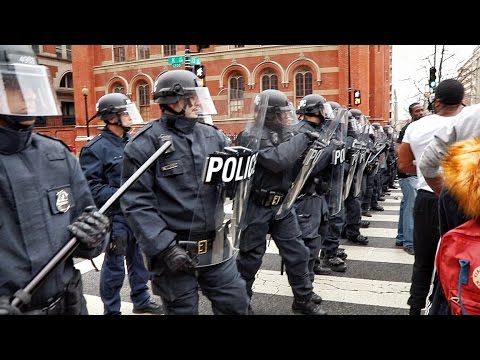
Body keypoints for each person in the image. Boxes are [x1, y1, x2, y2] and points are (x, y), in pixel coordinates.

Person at [120, 69, 249, 315]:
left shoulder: (213, 137)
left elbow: (227, 188)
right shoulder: (144, 145)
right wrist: (164, 247)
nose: (199, 102)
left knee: (236, 303)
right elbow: (137, 203)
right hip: (174, 255)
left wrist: (238, 170)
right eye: (192, 97)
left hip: (215, 246)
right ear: (172, 101)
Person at [0, 45, 110, 315]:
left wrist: (94, 237)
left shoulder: (56, 155)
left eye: (32, 84)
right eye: (15, 85)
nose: (30, 95)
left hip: (69, 304)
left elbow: (89, 227)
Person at [235, 89, 327, 315]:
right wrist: (303, 138)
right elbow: (278, 160)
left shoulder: (284, 134)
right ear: (270, 114)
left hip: (282, 205)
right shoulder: (251, 135)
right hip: (257, 205)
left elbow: (293, 164)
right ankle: (240, 305)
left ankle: (303, 300)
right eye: (282, 113)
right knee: (250, 260)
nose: (288, 118)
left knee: (298, 254)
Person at [79, 93, 163, 315]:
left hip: (136, 214)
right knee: (115, 267)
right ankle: (112, 310)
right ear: (112, 117)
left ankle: (141, 300)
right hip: (115, 217)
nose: (129, 117)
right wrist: (124, 194)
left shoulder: (133, 142)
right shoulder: (95, 149)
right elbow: (92, 188)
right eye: (124, 112)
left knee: (139, 261)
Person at [398, 78, 465, 315]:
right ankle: (444, 306)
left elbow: (404, 163)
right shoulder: (469, 122)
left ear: (436, 101)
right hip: (461, 199)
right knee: (456, 259)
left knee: (423, 260)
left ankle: (415, 308)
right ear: (462, 100)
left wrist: (421, 170)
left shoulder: (416, 126)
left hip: (427, 195)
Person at [394, 102, 425, 254]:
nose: (421, 113)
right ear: (411, 113)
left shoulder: (419, 127)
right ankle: (409, 242)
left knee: (406, 204)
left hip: (412, 173)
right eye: (417, 111)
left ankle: (401, 237)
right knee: (411, 207)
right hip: (407, 174)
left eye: (422, 110)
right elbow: (398, 149)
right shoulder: (408, 129)